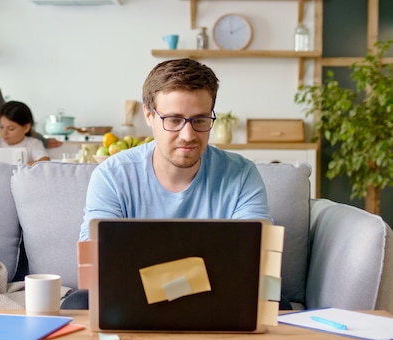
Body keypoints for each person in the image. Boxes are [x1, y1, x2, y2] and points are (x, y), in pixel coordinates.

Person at [63, 58, 283, 309]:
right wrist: (194, 276)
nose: (188, 136)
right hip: (134, 299)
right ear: (149, 115)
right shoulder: (112, 176)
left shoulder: (242, 174)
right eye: (174, 120)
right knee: (79, 302)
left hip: (217, 300)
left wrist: (160, 280)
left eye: (200, 120)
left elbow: (258, 263)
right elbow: (96, 266)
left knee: (277, 301)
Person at [0, 101, 50, 166]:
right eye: (1, 127)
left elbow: (44, 161)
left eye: (11, 128)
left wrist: (21, 166)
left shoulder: (33, 144)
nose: (4, 132)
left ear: (26, 128)